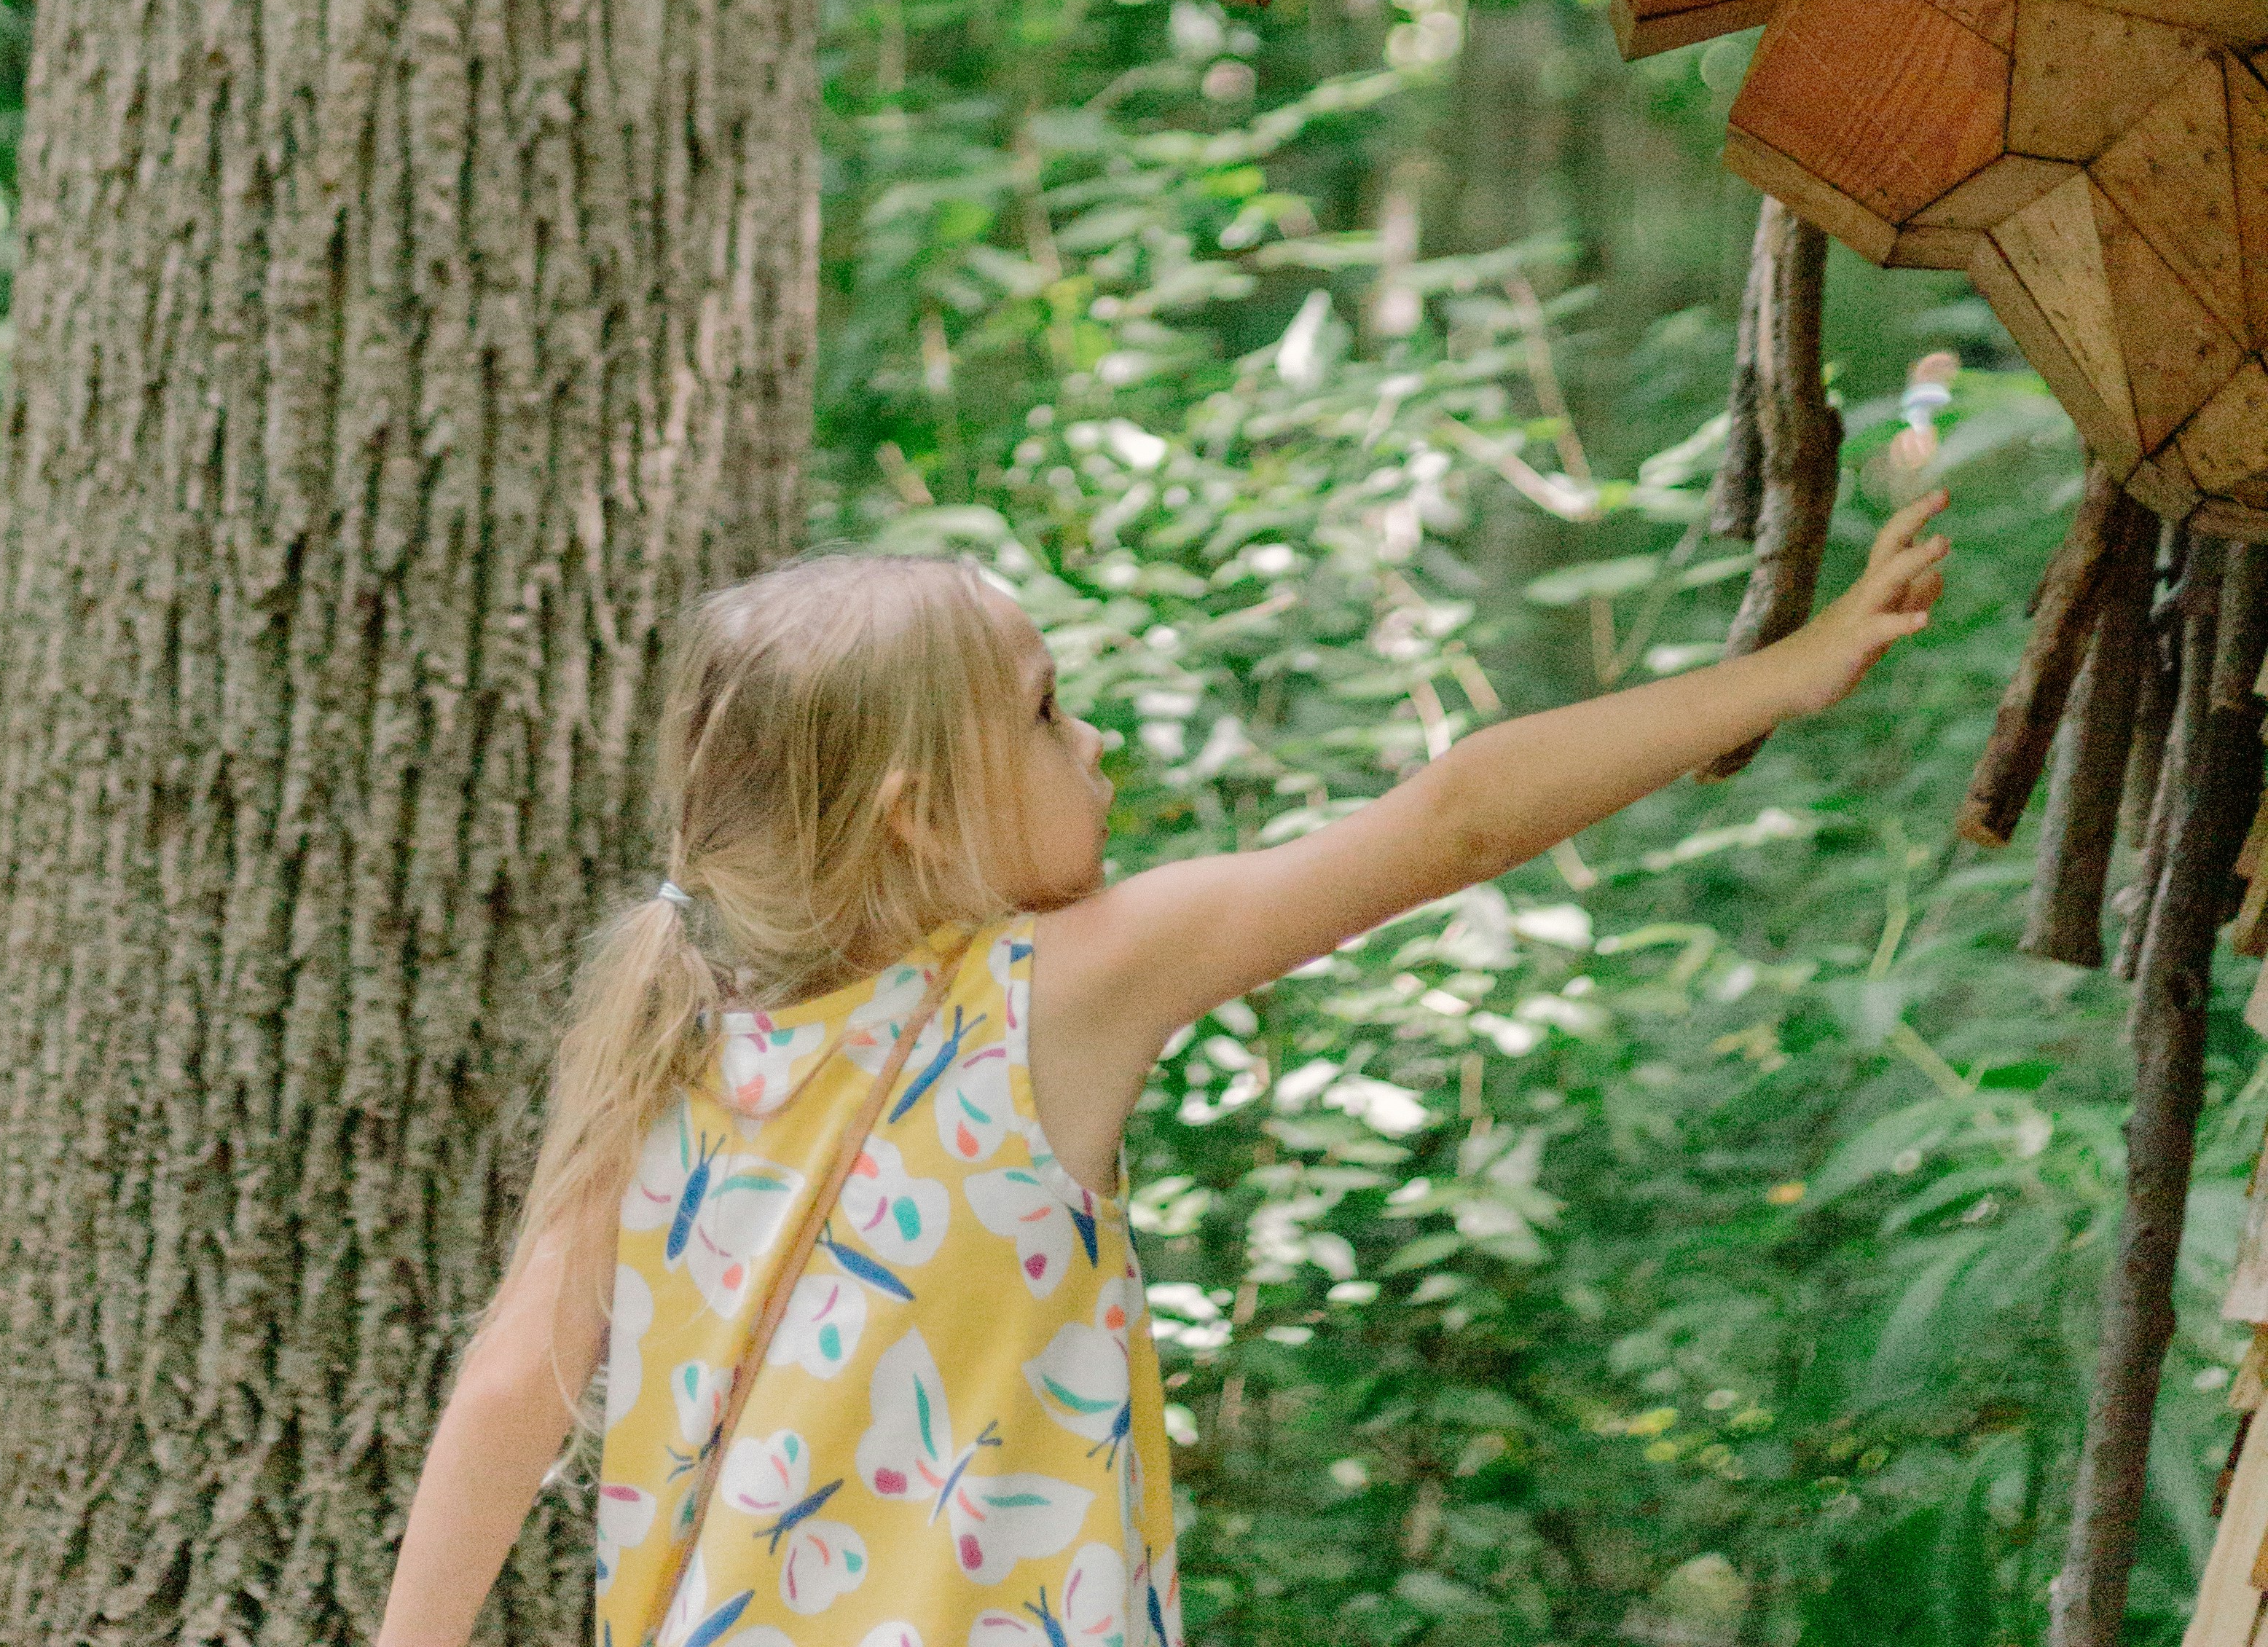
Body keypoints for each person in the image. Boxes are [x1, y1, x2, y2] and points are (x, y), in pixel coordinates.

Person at [374, 493, 1949, 1647]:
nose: (1094, 743)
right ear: (920, 816)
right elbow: (1454, 819)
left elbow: (512, 1394)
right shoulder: (1046, 996)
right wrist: (1786, 672)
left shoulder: (668, 1046)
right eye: (1045, 713)